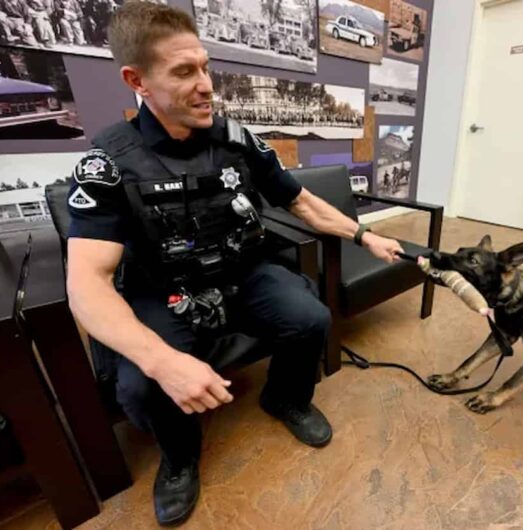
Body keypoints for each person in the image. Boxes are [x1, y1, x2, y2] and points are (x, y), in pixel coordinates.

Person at [65, 2, 404, 527]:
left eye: (204, 67)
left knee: (309, 317)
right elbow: (87, 282)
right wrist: (160, 360)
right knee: (143, 383)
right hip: (163, 288)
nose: (205, 85)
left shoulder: (238, 141)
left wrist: (365, 234)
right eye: (183, 72)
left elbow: (300, 203)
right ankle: (179, 459)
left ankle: (285, 399)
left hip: (241, 272)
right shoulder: (107, 163)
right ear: (137, 80)